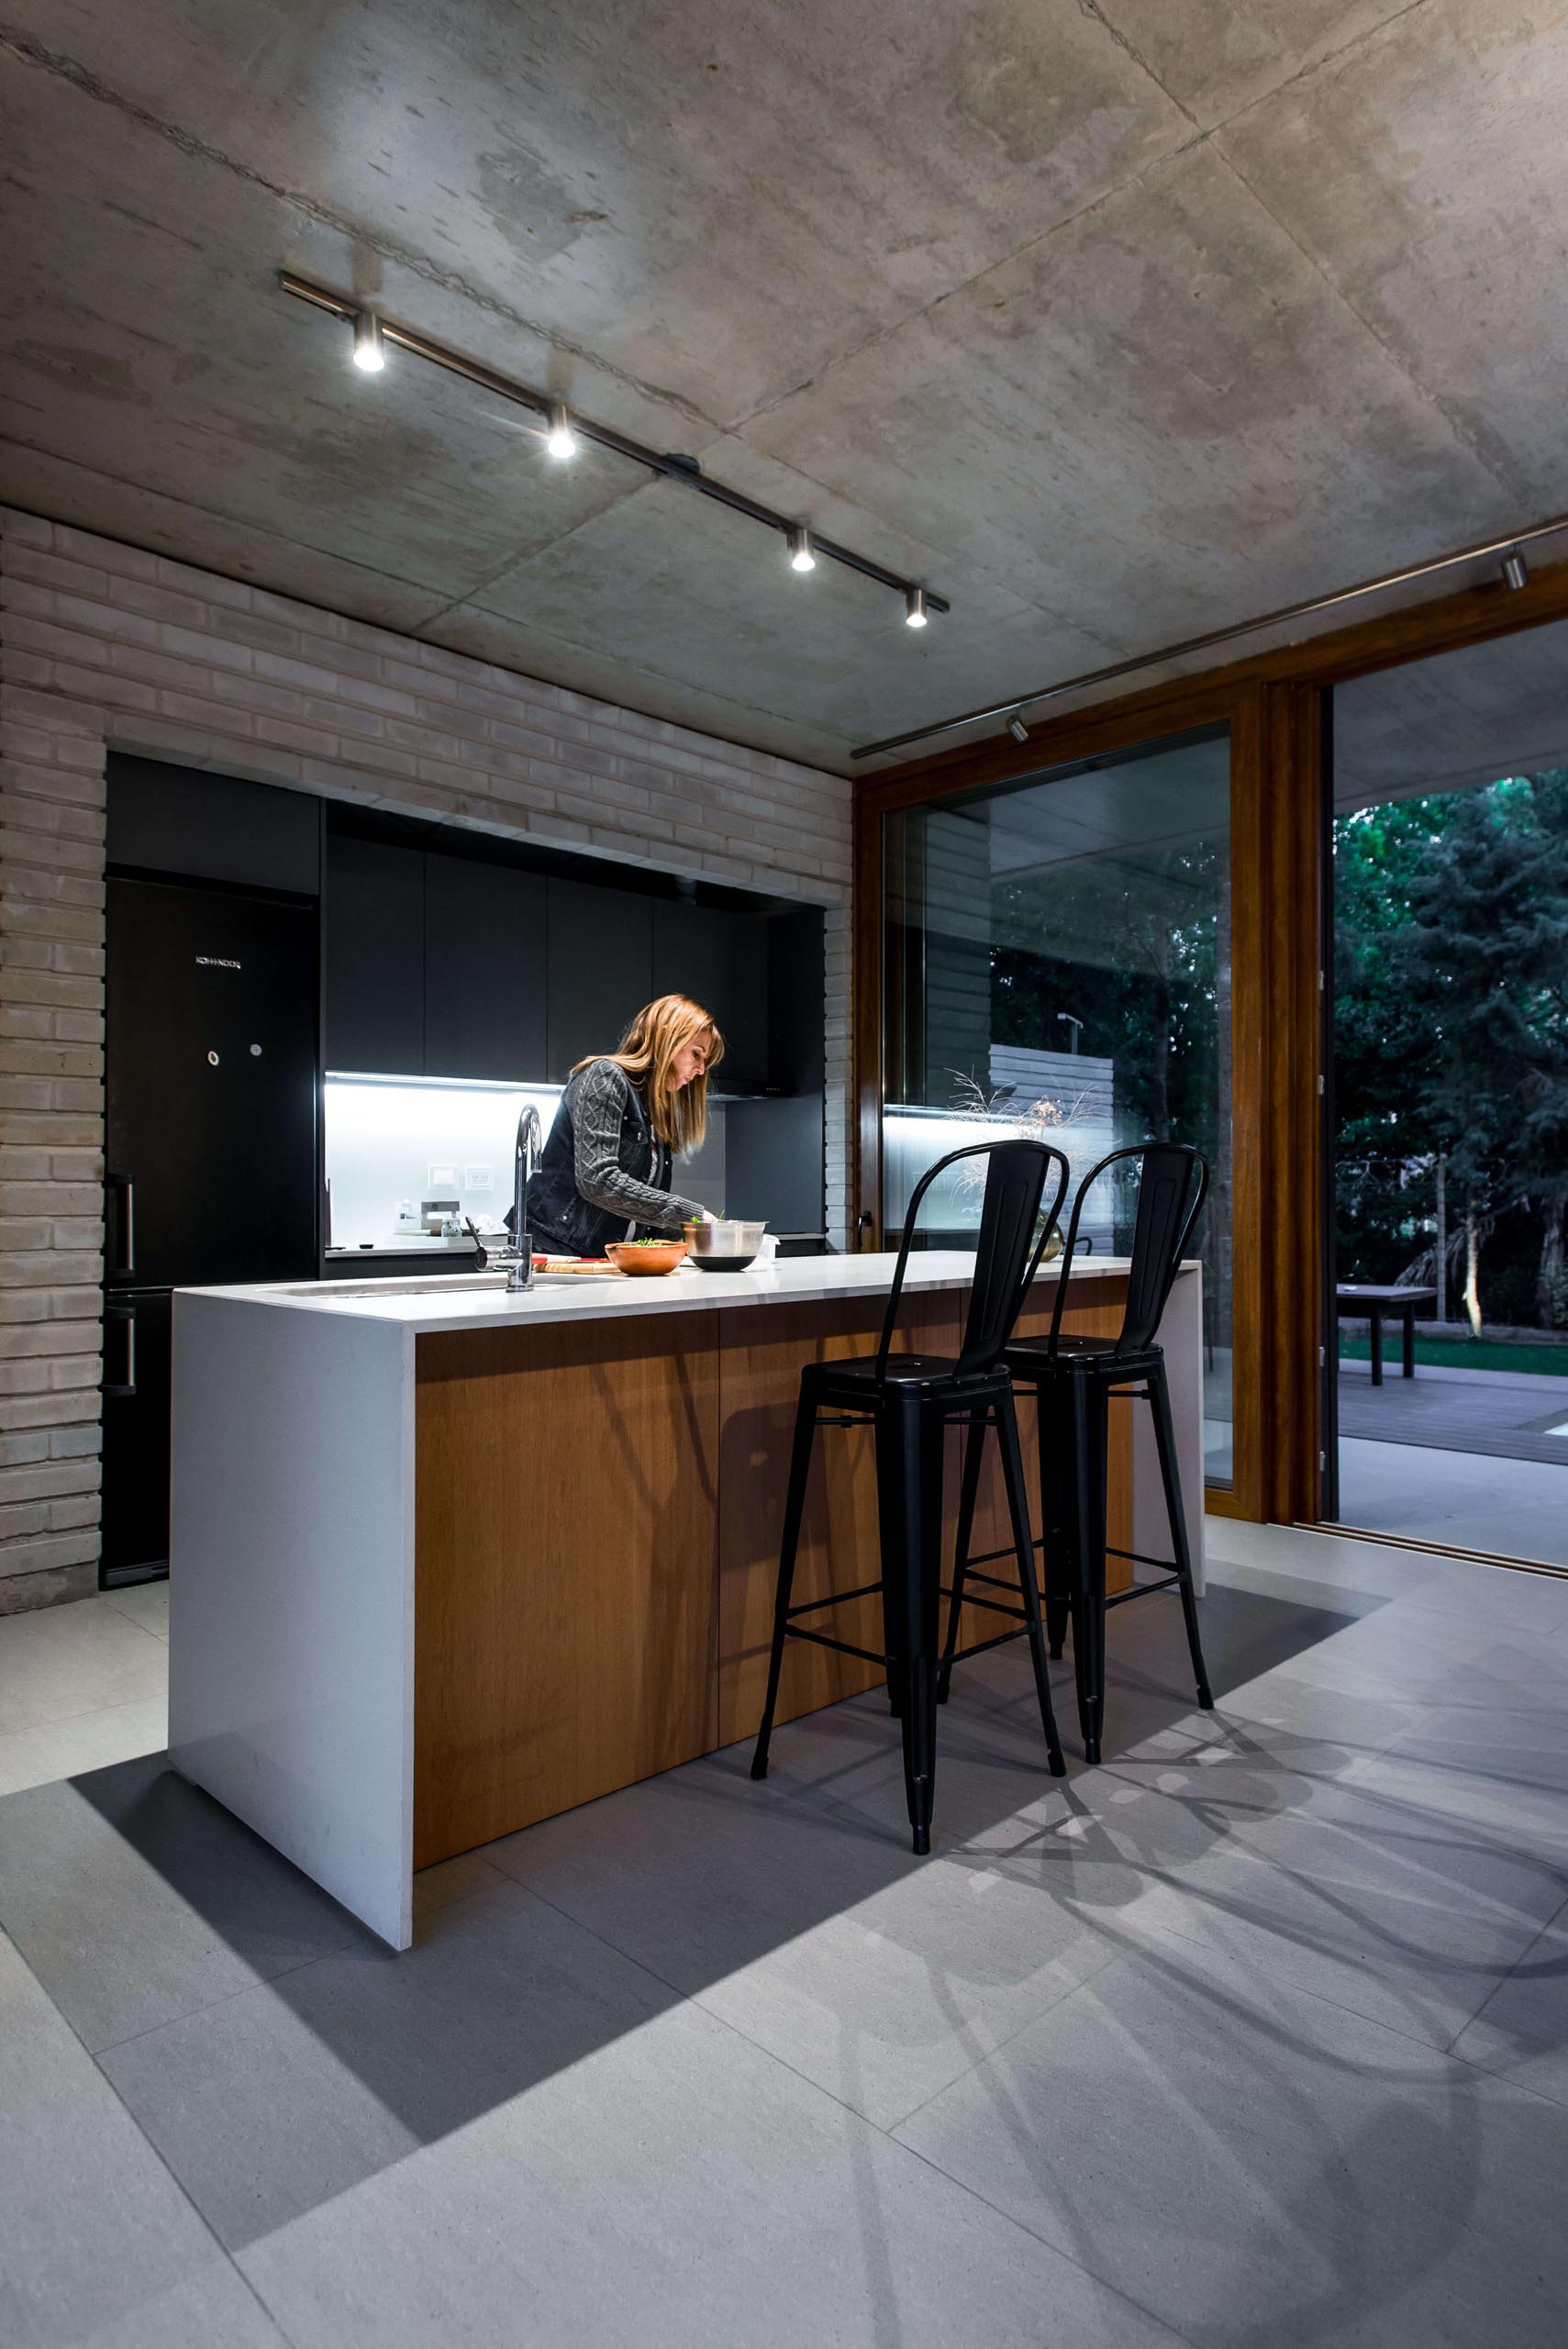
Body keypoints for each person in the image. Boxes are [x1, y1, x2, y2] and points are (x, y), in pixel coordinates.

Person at [521, 994, 722, 1258]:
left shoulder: (651, 1108)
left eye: (706, 1062)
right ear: (667, 1038)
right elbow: (598, 1181)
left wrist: (696, 1236)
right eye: (697, 1054)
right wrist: (693, 1216)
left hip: (601, 1258)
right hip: (554, 1251)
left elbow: (641, 1206)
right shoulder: (604, 1077)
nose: (700, 1070)